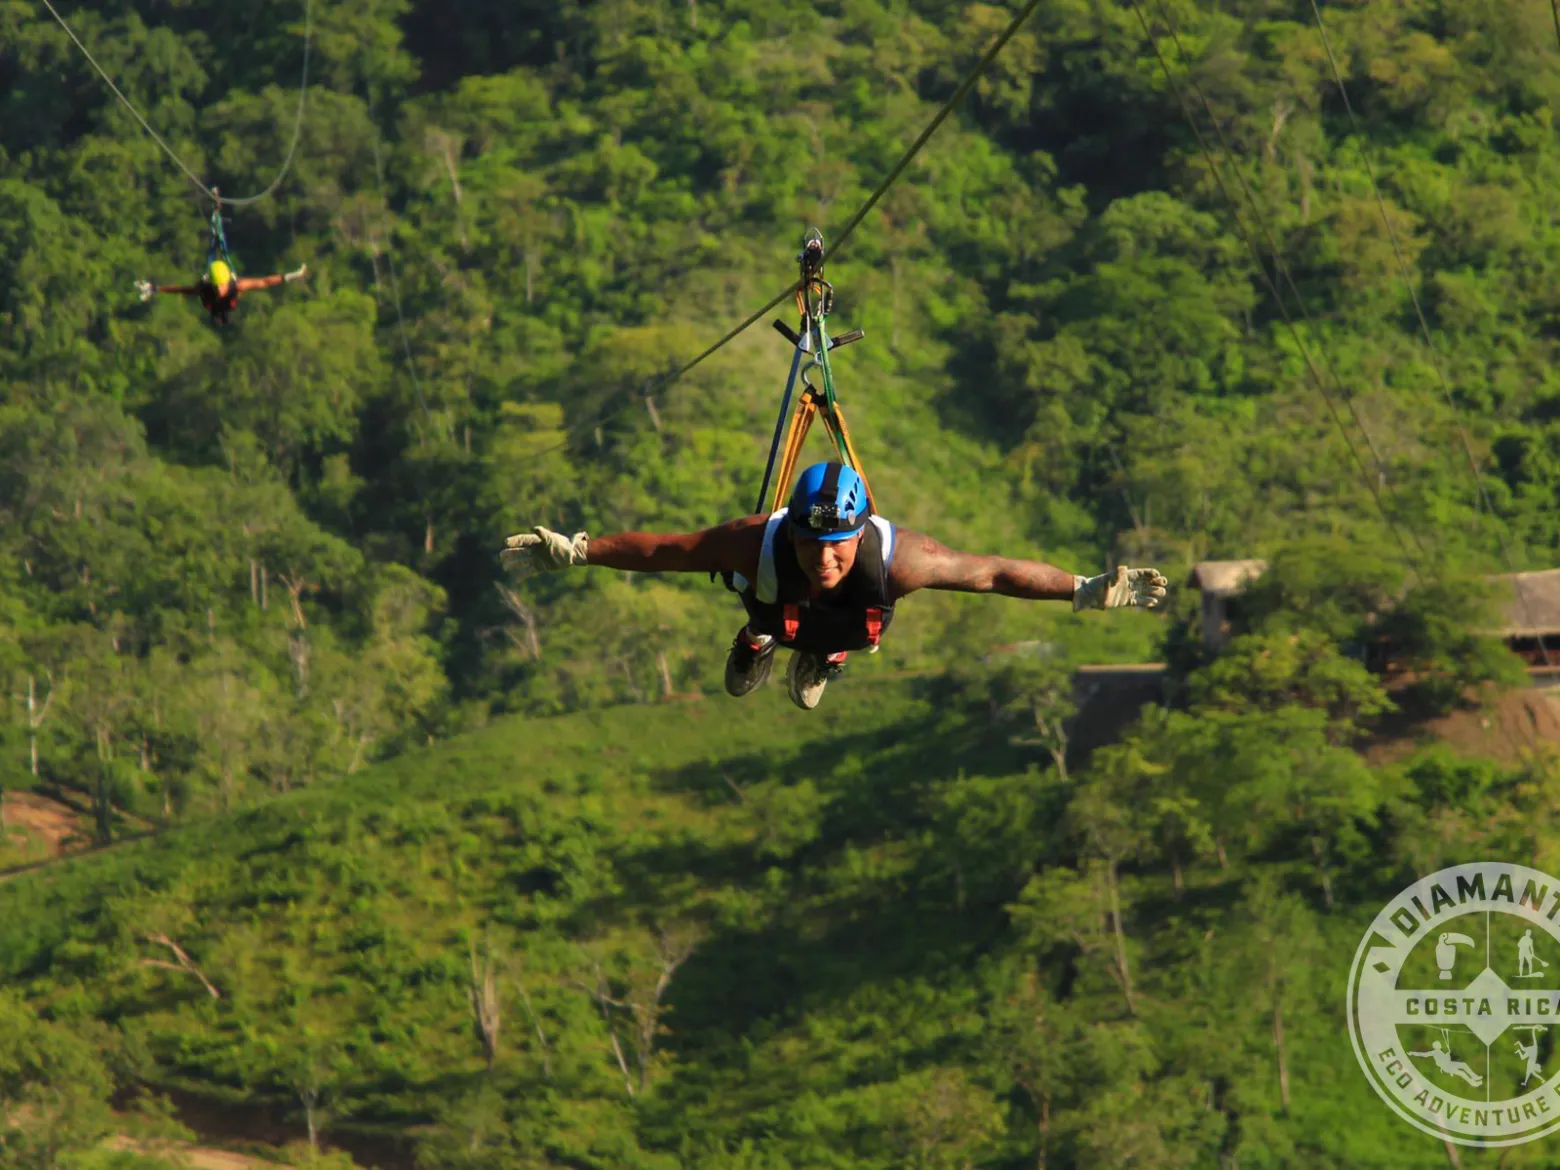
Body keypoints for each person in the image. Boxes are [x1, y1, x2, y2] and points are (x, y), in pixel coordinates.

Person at [501, 460, 1168, 711]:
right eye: (810, 545)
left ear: (858, 536)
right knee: (772, 607)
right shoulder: (752, 541)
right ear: (792, 530)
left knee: (860, 622)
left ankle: (824, 655)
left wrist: (1083, 588)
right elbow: (665, 551)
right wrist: (579, 551)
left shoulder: (903, 560)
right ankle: (758, 641)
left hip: (848, 617)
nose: (824, 559)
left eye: (838, 547)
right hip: (777, 606)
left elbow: (993, 573)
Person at [135, 258, 307, 326]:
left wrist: (291, 276)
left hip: (222, 303)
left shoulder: (234, 287)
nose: (218, 289)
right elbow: (181, 289)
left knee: (227, 296)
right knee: (204, 292)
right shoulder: (209, 288)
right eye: (216, 286)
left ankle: (221, 317)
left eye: (221, 286)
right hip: (216, 300)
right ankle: (219, 316)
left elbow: (264, 282)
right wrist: (156, 288)